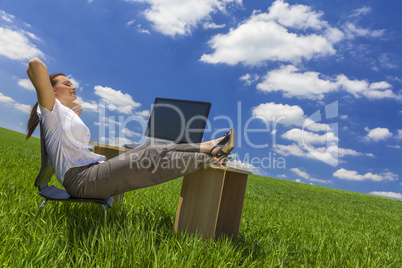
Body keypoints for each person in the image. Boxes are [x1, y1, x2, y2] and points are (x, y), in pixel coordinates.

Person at [26, 57, 235, 199]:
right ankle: (209, 148)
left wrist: (68, 102)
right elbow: (34, 65)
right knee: (150, 151)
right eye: (67, 84)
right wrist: (47, 92)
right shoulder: (51, 111)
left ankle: (211, 152)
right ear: (51, 91)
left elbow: (75, 111)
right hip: (82, 180)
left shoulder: (62, 113)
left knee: (147, 149)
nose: (74, 87)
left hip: (89, 172)